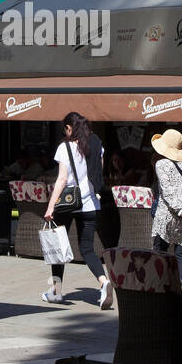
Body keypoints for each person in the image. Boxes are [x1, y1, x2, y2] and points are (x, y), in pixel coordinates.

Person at [42, 111, 111, 309]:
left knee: (58, 247)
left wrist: (50, 205)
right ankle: (103, 282)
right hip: (90, 204)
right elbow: (99, 170)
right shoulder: (96, 143)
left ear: (69, 128)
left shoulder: (65, 147)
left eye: (66, 128)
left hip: (68, 204)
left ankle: (56, 291)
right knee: (87, 249)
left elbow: (62, 179)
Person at [150, 128, 182, 295]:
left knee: (161, 251)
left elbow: (167, 191)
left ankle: (162, 287)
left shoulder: (161, 164)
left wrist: (180, 211)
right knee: (181, 254)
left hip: (168, 215)